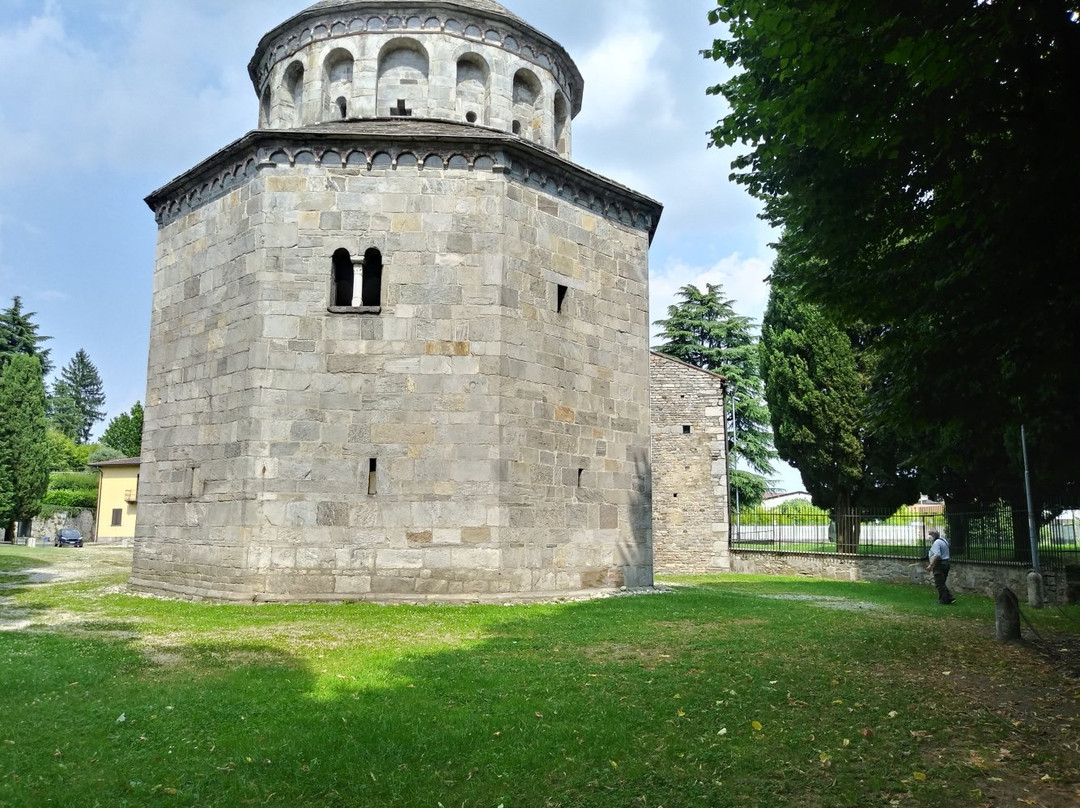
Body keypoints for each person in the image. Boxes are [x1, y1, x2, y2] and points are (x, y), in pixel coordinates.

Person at [926, 529, 955, 605]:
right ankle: (949, 598)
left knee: (939, 583)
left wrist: (931, 565)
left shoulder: (936, 543)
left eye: (930, 534)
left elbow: (937, 555)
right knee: (942, 582)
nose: (929, 536)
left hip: (939, 564)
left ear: (934, 535)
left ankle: (944, 600)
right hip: (946, 563)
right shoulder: (943, 540)